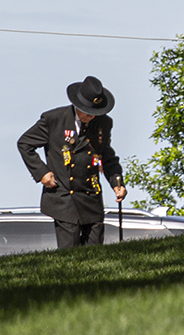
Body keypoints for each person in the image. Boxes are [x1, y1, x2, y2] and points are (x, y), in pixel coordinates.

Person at [17, 76, 127, 248]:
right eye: (87, 111)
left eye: (94, 113)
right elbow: (25, 144)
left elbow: (106, 154)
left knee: (95, 253)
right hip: (64, 197)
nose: (90, 116)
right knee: (70, 254)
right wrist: (42, 173)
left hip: (90, 196)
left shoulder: (103, 123)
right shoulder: (54, 119)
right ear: (77, 105)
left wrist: (116, 181)